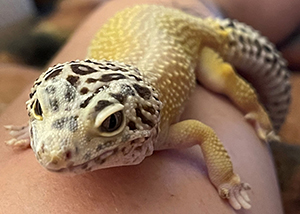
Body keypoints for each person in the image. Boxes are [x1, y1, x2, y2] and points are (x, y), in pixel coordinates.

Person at [2, 0, 297, 212]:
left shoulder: (162, 133)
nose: (55, 154)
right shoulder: (61, 114)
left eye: (109, 123)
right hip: (138, 22)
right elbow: (63, 99)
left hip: (186, 33)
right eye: (39, 110)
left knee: (220, 77)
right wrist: (37, 125)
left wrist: (228, 179)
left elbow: (203, 133)